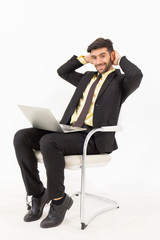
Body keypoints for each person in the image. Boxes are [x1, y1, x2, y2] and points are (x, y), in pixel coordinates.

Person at [13, 38, 143, 228]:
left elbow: (137, 76)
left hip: (93, 137)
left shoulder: (121, 82)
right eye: (95, 57)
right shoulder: (86, 78)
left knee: (49, 141)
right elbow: (62, 71)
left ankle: (59, 201)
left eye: (103, 56)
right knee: (21, 137)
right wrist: (84, 59)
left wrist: (120, 60)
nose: (98, 61)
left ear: (112, 55)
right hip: (70, 130)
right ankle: (39, 195)